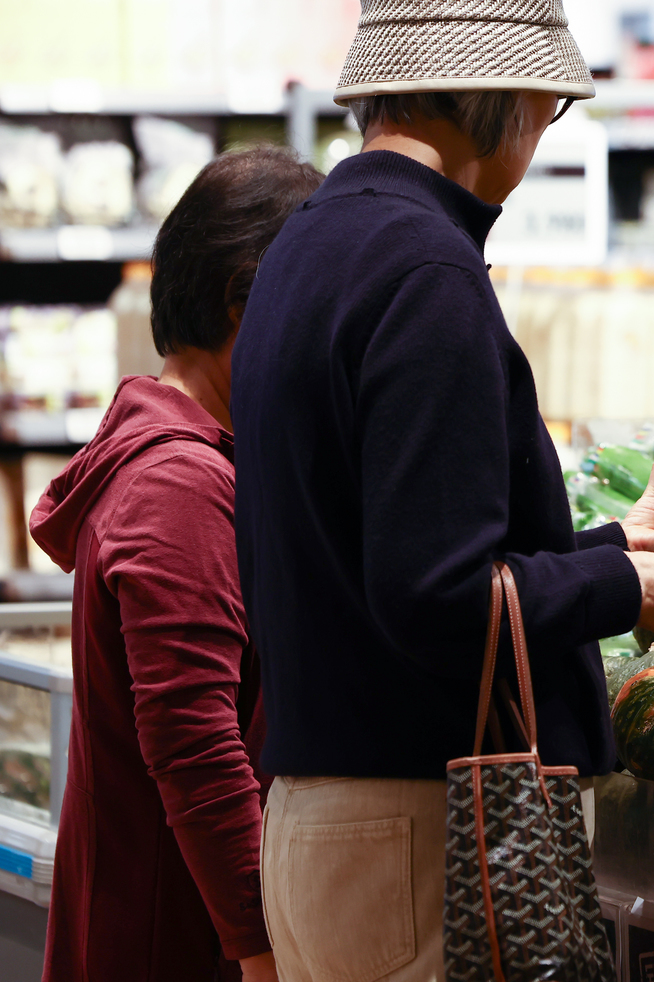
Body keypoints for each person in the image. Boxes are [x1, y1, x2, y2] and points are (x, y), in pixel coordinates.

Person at [231, 3, 654, 979]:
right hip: (416, 821)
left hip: (319, 819)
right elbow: (430, 593)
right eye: (547, 103)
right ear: (506, 100)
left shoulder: (305, 245)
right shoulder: (426, 268)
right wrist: (623, 591)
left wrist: (611, 545)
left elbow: (379, 548)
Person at [29, 147, 322, 982]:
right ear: (244, 295)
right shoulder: (178, 486)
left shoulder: (194, 458)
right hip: (172, 944)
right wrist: (263, 954)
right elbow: (195, 746)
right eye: (312, 303)